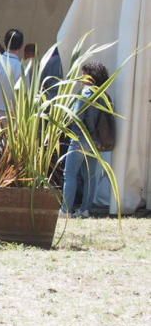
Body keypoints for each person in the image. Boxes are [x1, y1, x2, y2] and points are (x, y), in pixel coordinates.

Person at [62, 62, 107, 216]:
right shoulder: (103, 94)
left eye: (83, 74)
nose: (81, 78)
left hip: (80, 138)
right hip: (96, 141)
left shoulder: (85, 93)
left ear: (89, 76)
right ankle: (85, 209)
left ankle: (65, 210)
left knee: (70, 174)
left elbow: (76, 116)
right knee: (91, 177)